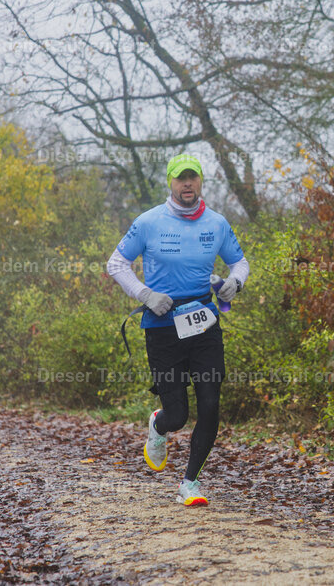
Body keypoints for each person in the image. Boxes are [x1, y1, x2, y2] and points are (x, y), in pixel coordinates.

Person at [107, 153, 249, 507]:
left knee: (211, 403)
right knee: (179, 415)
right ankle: (159, 424)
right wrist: (146, 294)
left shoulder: (216, 223)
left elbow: (240, 261)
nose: (187, 184)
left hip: (203, 322)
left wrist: (235, 282)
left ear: (201, 181)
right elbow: (116, 263)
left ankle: (190, 482)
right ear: (170, 182)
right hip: (162, 326)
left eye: (193, 177)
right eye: (180, 178)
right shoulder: (149, 222)